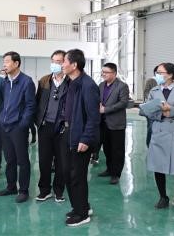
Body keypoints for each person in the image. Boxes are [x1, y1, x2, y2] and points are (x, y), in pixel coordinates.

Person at [54, 49, 100, 227]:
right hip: (67, 132)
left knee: (77, 176)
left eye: (64, 61)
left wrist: (86, 139)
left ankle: (82, 214)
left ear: (74, 65)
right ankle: (80, 206)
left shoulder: (88, 85)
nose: (61, 65)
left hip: (80, 136)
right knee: (67, 173)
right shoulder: (70, 82)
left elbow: (93, 117)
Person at [140, 62, 174, 209]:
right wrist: (160, 113)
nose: (157, 75)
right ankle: (163, 196)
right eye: (156, 72)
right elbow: (147, 110)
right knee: (158, 166)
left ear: (170, 75)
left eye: (160, 72)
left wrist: (171, 110)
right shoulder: (154, 90)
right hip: (158, 130)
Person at [0, 51, 35, 203]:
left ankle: (24, 190)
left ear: (16, 63)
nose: (4, 64)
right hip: (5, 126)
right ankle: (11, 186)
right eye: (4, 61)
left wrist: (23, 124)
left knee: (22, 160)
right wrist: (1, 118)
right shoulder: (5, 82)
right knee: (9, 159)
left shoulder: (27, 82)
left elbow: (30, 106)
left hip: (18, 127)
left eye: (7, 61)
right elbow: (3, 102)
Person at [34, 50, 67, 201]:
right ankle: (44, 189)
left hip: (62, 127)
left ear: (65, 63)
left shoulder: (70, 82)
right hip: (45, 125)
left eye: (58, 61)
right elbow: (37, 102)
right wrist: (38, 121)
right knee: (44, 160)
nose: (55, 64)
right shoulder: (44, 81)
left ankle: (59, 190)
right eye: (53, 61)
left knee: (61, 161)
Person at [97, 62, 130, 185]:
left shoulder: (122, 86)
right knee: (107, 148)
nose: (103, 74)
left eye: (106, 72)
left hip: (116, 123)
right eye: (103, 72)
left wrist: (106, 109)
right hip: (103, 123)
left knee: (117, 150)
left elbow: (123, 103)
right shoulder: (101, 85)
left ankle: (116, 174)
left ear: (114, 73)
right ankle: (109, 169)